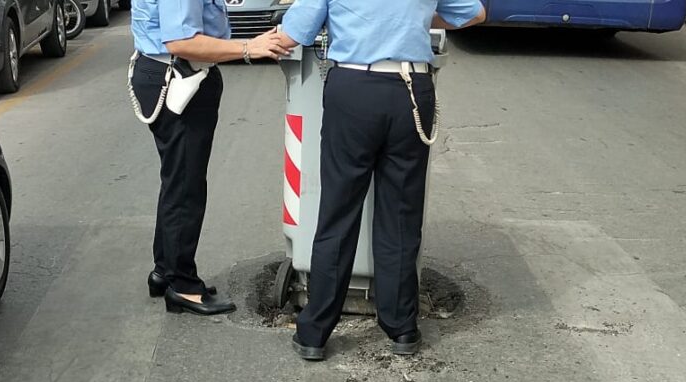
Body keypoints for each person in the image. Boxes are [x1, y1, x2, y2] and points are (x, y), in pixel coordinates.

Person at [279, 0, 486, 360]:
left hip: (355, 86)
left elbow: (296, 32)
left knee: (338, 213)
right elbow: (475, 13)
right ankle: (402, 327)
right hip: (412, 89)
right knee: (401, 214)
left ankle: (315, 333)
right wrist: (417, 15)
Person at [130, 0, 288, 315]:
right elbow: (183, 41)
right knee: (186, 186)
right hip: (180, 76)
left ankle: (165, 270)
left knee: (176, 179)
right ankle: (183, 287)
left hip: (167, 71)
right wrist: (249, 47)